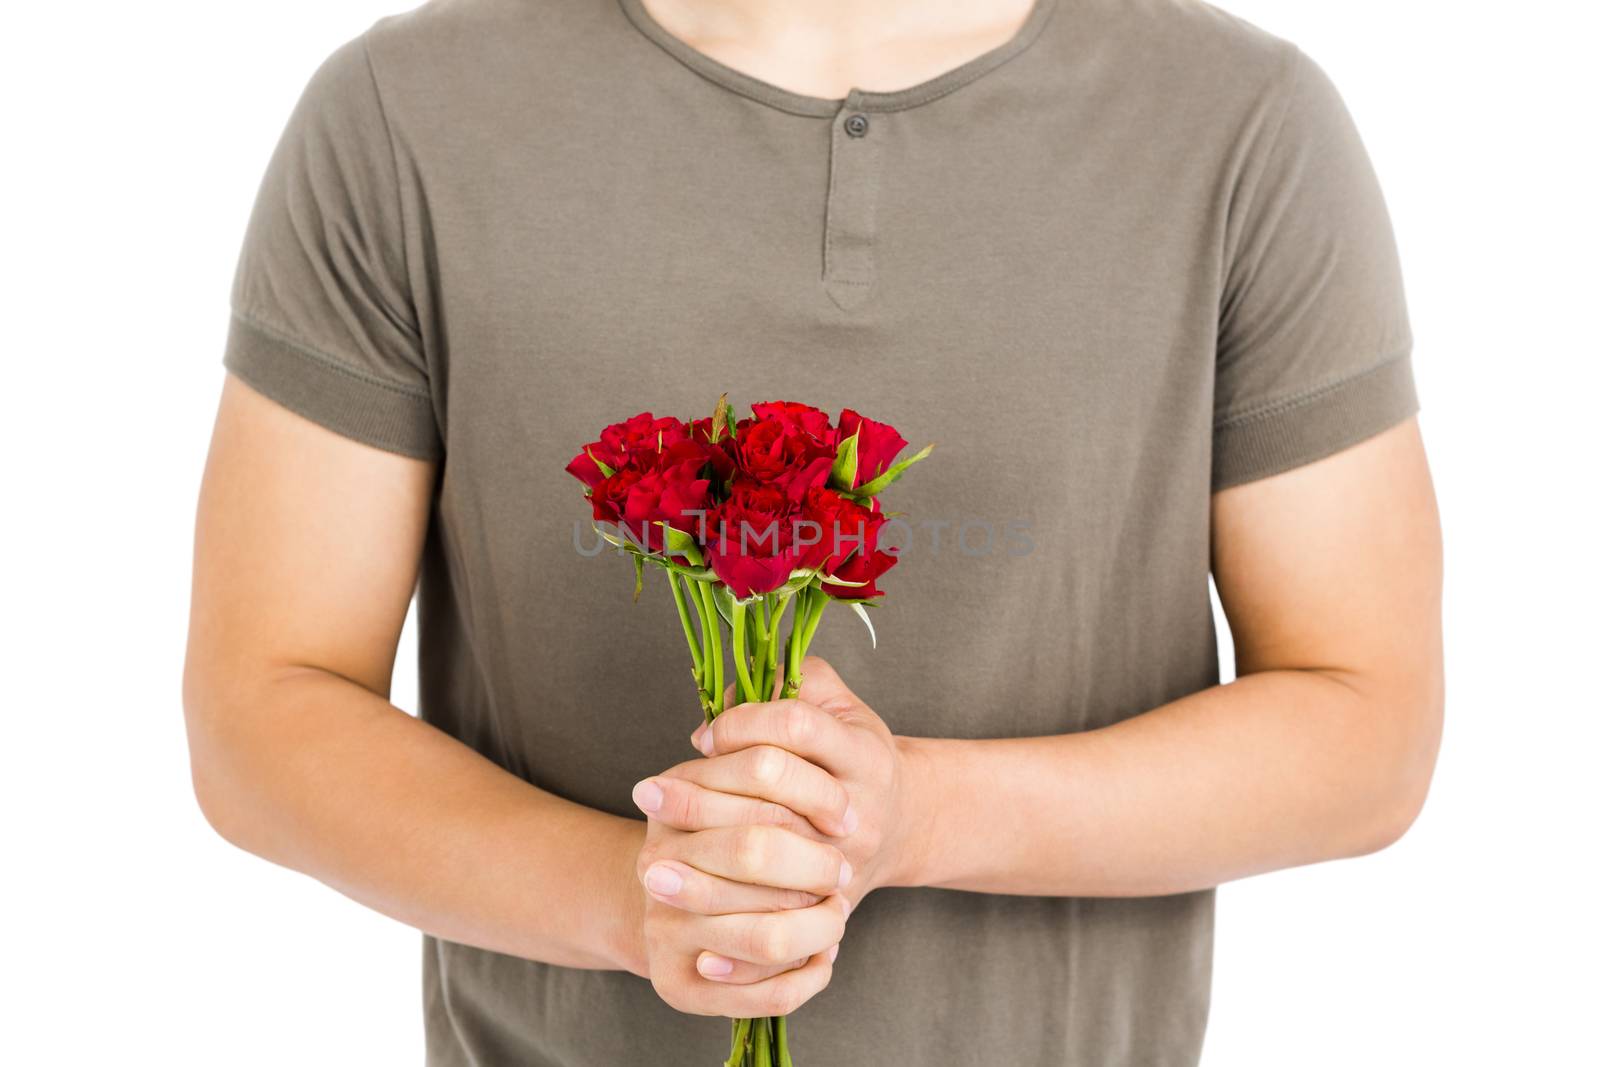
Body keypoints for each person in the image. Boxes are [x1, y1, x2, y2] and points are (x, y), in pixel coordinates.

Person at [182, 0, 1444, 1062]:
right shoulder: (403, 115)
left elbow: (1365, 723)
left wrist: (920, 816)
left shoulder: (1239, 125)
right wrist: (640, 899)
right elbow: (262, 709)